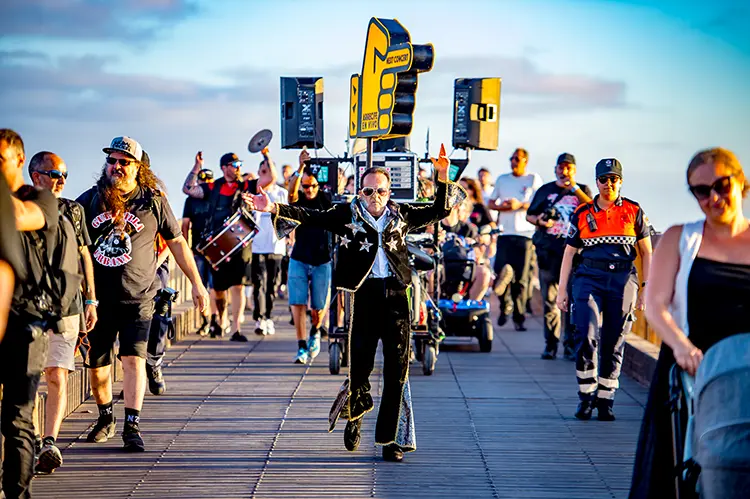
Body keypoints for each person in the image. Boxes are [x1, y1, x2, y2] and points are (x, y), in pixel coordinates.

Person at [248, 145, 463, 462]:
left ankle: (390, 440)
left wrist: (442, 176)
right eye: (368, 190)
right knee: (360, 368)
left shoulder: (401, 214)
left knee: (397, 372)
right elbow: (312, 216)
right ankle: (355, 413)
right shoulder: (346, 215)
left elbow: (439, 210)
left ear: (389, 192)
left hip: (395, 298)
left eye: (380, 191)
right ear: (360, 192)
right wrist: (274, 208)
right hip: (363, 296)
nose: (374, 196)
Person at [630, 148, 750, 498]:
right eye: (701, 190)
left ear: (740, 183)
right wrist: (681, 345)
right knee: (676, 471)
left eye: (721, 185)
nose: (713, 197)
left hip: (744, 370)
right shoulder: (679, 238)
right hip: (691, 368)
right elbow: (655, 304)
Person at [77, 136, 209, 452]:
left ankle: (132, 425)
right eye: (112, 161)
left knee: (133, 359)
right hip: (98, 301)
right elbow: (73, 247)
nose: (117, 166)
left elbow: (178, 243)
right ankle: (105, 416)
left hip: (140, 297)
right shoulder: (89, 201)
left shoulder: (153, 201)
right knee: (98, 367)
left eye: (124, 162)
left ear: (138, 167)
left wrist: (197, 283)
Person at [557, 158, 652, 421]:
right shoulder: (583, 212)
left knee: (614, 340)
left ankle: (605, 399)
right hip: (589, 276)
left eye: (613, 179)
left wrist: (646, 288)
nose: (608, 184)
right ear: (596, 182)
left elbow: (646, 252)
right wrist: (562, 290)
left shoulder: (634, 211)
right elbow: (569, 253)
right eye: (603, 179)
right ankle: (586, 396)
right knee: (586, 334)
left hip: (623, 279)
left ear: (620, 182)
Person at [0, 129, 63, 499]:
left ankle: (18, 494)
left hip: (26, 322)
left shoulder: (39, 199)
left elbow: (22, 217)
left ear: (20, 161)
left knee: (18, 418)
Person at [27, 151, 99, 475]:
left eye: (65, 175)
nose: (61, 180)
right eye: (55, 174)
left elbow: (85, 256)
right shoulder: (21, 208)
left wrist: (91, 300)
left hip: (68, 306)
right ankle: (25, 440)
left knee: (57, 375)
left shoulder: (74, 210)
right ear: (36, 176)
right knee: (27, 379)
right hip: (28, 307)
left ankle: (49, 442)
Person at [183, 151, 258, 341]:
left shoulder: (246, 185)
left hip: (240, 243)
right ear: (224, 168)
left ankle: (236, 328)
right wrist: (197, 166)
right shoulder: (213, 187)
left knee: (239, 286)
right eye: (234, 165)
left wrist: (266, 157)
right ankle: (221, 320)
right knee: (218, 289)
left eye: (239, 164)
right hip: (217, 244)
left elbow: (269, 178)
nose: (238, 168)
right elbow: (188, 189)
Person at [526, 153, 592, 360]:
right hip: (548, 252)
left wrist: (574, 189)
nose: (565, 172)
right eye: (561, 168)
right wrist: (541, 221)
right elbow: (530, 215)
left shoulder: (582, 190)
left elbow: (592, 209)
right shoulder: (545, 191)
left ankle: (570, 345)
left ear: (574, 170)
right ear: (555, 169)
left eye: (569, 168)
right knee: (549, 301)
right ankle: (550, 344)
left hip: (574, 255)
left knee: (572, 301)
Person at [488, 148, 543, 330]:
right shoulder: (503, 179)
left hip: (525, 235)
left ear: (525, 161)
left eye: (517, 159)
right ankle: (505, 306)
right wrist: (505, 207)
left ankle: (519, 318)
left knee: (520, 280)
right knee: (500, 275)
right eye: (512, 158)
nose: (514, 162)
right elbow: (491, 203)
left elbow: (538, 205)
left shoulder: (533, 180)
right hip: (505, 234)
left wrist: (519, 205)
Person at [287, 149, 332, 363]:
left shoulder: (325, 198)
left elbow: (335, 193)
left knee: (319, 305)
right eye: (306, 186)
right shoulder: (299, 198)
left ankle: (316, 330)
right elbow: (291, 193)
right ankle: (301, 345)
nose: (309, 189)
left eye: (313, 185)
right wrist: (300, 168)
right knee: (297, 303)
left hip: (322, 258)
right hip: (299, 257)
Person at [249, 155, 287, 336]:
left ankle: (269, 317)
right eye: (262, 170)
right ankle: (260, 318)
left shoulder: (281, 193)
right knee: (259, 284)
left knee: (272, 284)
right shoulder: (254, 192)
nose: (265, 173)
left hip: (277, 246)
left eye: (268, 169)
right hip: (258, 246)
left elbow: (288, 218)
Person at [182, 167, 215, 336]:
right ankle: (206, 321)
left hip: (216, 248)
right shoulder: (191, 201)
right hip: (198, 249)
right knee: (201, 287)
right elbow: (185, 225)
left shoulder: (216, 197)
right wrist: (186, 248)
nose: (205, 185)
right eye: (203, 182)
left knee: (216, 287)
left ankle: (216, 320)